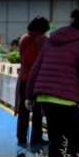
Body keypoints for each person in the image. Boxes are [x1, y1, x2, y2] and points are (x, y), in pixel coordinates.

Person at [25, 10, 79, 157]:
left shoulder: (51, 39)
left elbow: (35, 68)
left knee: (56, 142)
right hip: (65, 98)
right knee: (76, 142)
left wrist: (29, 96)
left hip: (45, 97)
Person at [16, 17, 49, 148]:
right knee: (37, 111)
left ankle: (21, 137)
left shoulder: (24, 38)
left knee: (23, 110)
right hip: (37, 79)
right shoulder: (43, 40)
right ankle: (36, 137)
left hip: (24, 78)